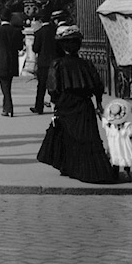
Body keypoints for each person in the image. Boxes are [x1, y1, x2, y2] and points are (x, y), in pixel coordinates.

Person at [36, 24, 116, 184]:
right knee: (88, 137)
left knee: (68, 136)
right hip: (84, 104)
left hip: (65, 104)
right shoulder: (86, 64)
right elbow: (98, 86)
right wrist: (98, 103)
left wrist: (54, 103)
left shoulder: (57, 64)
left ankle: (70, 167)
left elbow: (52, 87)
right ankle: (93, 170)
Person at [0, 7, 22, 117]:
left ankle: (8, 107)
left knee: (4, 85)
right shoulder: (15, 31)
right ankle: (6, 106)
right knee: (7, 84)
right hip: (12, 60)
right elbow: (20, 46)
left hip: (1, 59)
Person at [30, 10, 64, 114]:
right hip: (55, 61)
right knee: (56, 84)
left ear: (40, 20)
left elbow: (35, 49)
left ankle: (39, 107)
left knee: (41, 86)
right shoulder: (55, 30)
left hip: (43, 62)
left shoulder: (39, 33)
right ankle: (57, 104)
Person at [101, 99, 132, 181]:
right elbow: (131, 135)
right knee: (126, 158)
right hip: (124, 147)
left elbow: (103, 120)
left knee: (115, 159)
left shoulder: (109, 126)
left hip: (114, 147)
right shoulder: (127, 126)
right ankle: (126, 173)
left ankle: (115, 174)